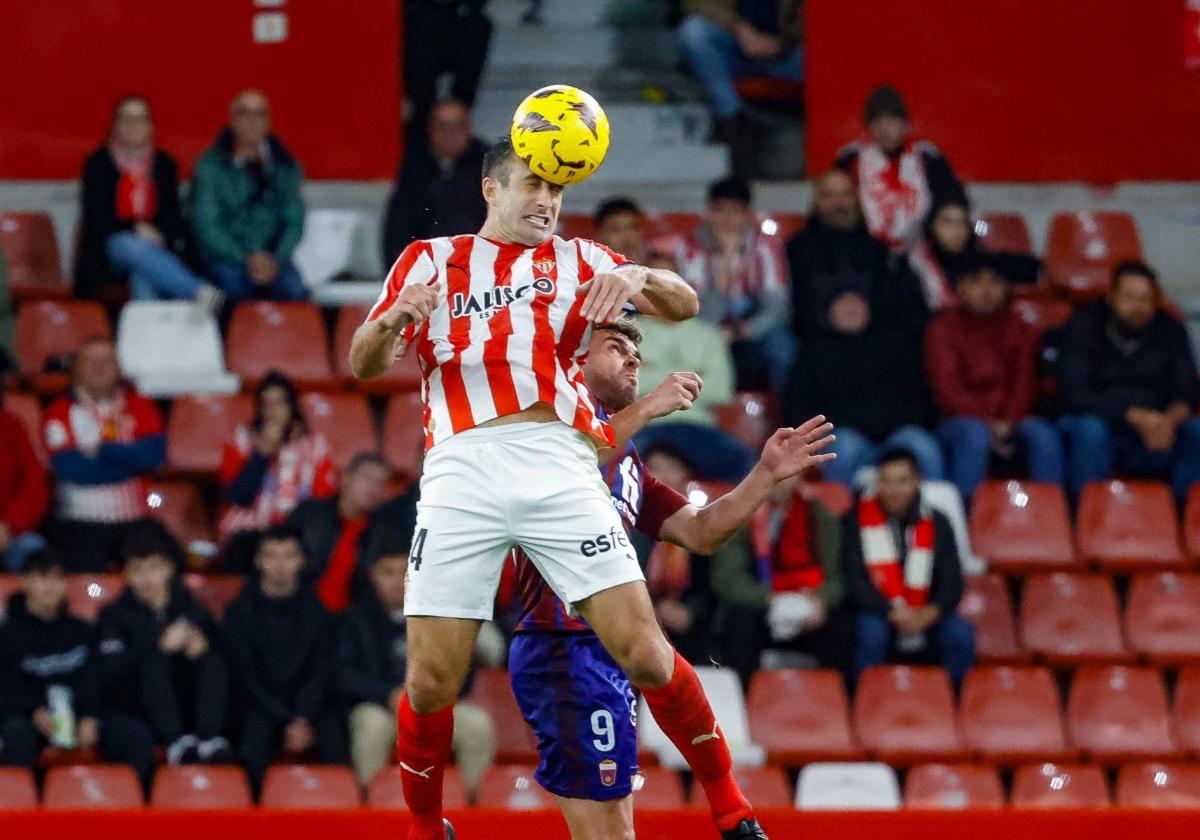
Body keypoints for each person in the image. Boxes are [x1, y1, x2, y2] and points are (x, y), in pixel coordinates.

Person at [348, 136, 775, 840]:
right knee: (429, 681)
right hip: (461, 464)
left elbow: (687, 302)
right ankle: (427, 828)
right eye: (531, 187)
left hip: (559, 456)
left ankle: (731, 807)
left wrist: (639, 276)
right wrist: (394, 319)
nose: (547, 202)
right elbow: (364, 363)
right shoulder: (429, 261)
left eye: (557, 192)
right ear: (492, 189)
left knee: (644, 650)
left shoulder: (579, 259)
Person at [508, 318, 835, 840]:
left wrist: (763, 476)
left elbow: (701, 532)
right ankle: (733, 811)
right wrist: (651, 408)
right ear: (573, 361)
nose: (635, 358)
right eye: (616, 347)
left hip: (611, 654)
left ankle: (731, 809)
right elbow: (572, 456)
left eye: (637, 348)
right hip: (563, 649)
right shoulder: (538, 425)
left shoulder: (629, 461)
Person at [338, 532, 495, 793]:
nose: (398, 582)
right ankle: (374, 809)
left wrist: (436, 693)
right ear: (372, 575)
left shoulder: (438, 614)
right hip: (381, 708)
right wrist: (389, 695)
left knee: (477, 724)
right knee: (371, 726)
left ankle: (472, 811)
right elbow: (343, 675)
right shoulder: (355, 618)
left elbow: (464, 674)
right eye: (388, 573)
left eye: (406, 572)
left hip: (433, 706)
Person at [0, 549, 155, 786]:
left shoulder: (82, 631)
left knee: (134, 733)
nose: (50, 586)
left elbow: (94, 678)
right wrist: (34, 711)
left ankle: (134, 807)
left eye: (57, 578)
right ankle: (21, 812)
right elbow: (7, 684)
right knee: (16, 734)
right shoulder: (8, 635)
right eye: (42, 577)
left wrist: (89, 716)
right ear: (26, 581)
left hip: (81, 718)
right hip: (31, 719)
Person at [925, 253, 1064, 502]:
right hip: (958, 422)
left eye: (995, 282)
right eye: (977, 282)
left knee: (1043, 435)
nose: (986, 290)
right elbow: (949, 390)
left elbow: (1024, 383)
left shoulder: (1021, 328)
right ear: (961, 288)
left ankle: (1051, 516)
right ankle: (964, 520)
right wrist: (989, 425)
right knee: (975, 436)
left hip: (1012, 419)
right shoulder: (942, 329)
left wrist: (1008, 423)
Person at [1058, 260, 1200, 501]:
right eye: (1130, 298)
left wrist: (1168, 421)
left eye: (1146, 299)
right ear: (1111, 297)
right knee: (1091, 431)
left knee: (1196, 432)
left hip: (1157, 427)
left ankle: (1182, 517)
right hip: (1101, 421)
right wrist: (1134, 416)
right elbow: (1075, 394)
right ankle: (1087, 514)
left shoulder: (1170, 329)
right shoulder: (1082, 327)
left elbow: (1187, 389)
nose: (1139, 307)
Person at [221, 525, 345, 793]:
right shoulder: (239, 613)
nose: (280, 565)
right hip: (260, 705)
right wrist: (286, 718)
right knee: (253, 738)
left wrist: (302, 717)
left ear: (301, 560)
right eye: (272, 556)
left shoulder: (318, 611)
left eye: (288, 556)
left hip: (307, 706)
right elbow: (245, 677)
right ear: (259, 560)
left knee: (335, 736)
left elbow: (322, 670)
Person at [98, 519, 231, 765]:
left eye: (155, 569)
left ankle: (210, 738)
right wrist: (157, 639)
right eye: (138, 570)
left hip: (188, 702)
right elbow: (112, 674)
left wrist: (201, 645)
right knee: (154, 661)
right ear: (125, 574)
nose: (148, 579)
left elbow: (227, 656)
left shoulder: (192, 606)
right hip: (137, 706)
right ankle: (175, 742)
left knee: (212, 659)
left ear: (170, 569)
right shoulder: (113, 615)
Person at [842, 449, 974, 685]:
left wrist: (930, 613)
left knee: (959, 634)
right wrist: (891, 613)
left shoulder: (938, 522)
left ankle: (954, 705)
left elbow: (952, 580)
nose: (893, 491)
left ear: (917, 482)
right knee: (869, 632)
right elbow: (854, 582)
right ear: (877, 483)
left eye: (902, 481)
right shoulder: (853, 522)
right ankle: (866, 702)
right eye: (886, 481)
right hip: (879, 614)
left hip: (927, 614)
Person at [783, 291, 943, 487]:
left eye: (857, 302)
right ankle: (837, 516)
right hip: (844, 435)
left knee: (924, 447)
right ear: (829, 311)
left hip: (896, 434)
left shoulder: (895, 345)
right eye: (843, 303)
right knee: (843, 448)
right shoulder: (812, 353)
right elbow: (798, 407)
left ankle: (933, 515)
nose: (851, 308)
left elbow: (920, 399)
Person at [76, 95, 221, 309]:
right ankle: (196, 290)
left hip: (156, 251)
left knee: (143, 276)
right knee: (127, 243)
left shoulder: (164, 164)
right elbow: (97, 219)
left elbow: (173, 217)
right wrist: (134, 228)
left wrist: (158, 234)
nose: (134, 126)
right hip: (108, 254)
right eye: (127, 119)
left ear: (150, 126)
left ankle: (148, 340)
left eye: (140, 119)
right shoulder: (97, 164)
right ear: (115, 126)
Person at [710, 476, 850, 689]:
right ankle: (743, 701)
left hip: (808, 605)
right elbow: (727, 579)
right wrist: (770, 598)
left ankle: (833, 703)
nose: (779, 479)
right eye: (773, 470)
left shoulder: (818, 516)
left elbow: (836, 578)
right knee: (740, 621)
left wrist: (820, 601)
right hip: (759, 606)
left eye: (788, 472)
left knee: (843, 626)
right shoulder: (738, 513)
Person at [43, 337, 166, 571]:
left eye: (107, 361)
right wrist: (130, 462)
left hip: (135, 519)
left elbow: (153, 457)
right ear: (76, 368)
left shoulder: (140, 405)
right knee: (87, 579)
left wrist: (102, 449)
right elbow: (73, 470)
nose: (99, 367)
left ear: (119, 367)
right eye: (91, 361)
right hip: (79, 521)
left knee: (170, 562)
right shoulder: (59, 411)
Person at [675, 177, 792, 391]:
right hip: (708, 327)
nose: (728, 220)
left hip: (753, 329)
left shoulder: (765, 247)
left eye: (736, 212)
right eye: (721, 211)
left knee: (782, 347)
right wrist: (724, 267)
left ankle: (788, 416)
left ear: (748, 214)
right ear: (709, 212)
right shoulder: (692, 247)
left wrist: (742, 331)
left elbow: (776, 309)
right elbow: (701, 314)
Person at [191, 89, 307, 302]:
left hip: (274, 258)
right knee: (233, 290)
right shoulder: (210, 166)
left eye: (260, 114)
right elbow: (207, 225)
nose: (253, 121)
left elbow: (295, 221)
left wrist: (275, 258)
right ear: (232, 120)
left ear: (268, 121)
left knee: (295, 292)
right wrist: (246, 258)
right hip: (228, 257)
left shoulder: (285, 166)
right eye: (245, 114)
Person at [786, 170, 928, 343]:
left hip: (873, 338)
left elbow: (891, 299)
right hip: (816, 341)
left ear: (856, 199)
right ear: (816, 201)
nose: (838, 203)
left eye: (845, 195)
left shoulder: (876, 249)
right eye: (828, 195)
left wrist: (867, 313)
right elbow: (796, 302)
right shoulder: (796, 249)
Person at [219, 371, 334, 571]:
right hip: (251, 531)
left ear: (292, 407)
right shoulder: (241, 441)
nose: (273, 411)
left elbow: (322, 502)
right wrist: (262, 454)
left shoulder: (316, 447)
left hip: (299, 532)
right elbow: (239, 497)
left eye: (279, 403)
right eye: (266, 404)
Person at [835, 85, 967, 253]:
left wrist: (980, 229)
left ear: (905, 124)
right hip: (862, 250)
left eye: (891, 120)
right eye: (877, 122)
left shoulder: (928, 158)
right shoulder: (851, 159)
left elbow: (957, 205)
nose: (884, 129)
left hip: (924, 248)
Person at [677, 1, 803, 162]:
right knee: (694, 31)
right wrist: (739, 28)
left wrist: (782, 44)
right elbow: (697, 4)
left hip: (785, 54)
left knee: (826, 56)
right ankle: (732, 116)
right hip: (734, 47)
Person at [383, 100, 488, 265]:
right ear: (430, 129)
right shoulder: (415, 166)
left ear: (468, 128)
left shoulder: (488, 164)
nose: (450, 134)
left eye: (457, 126)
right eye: (443, 127)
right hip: (426, 266)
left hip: (477, 264)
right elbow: (399, 224)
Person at [287, 450, 392, 613]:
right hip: (297, 610)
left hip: (348, 623)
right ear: (345, 479)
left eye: (381, 483)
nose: (374, 488)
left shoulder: (381, 533)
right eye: (367, 478)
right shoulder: (309, 514)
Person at [906, 199, 1040, 312]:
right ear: (931, 227)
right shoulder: (915, 265)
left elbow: (1034, 269)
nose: (957, 230)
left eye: (962, 222)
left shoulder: (978, 259)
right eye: (947, 222)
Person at [403, 0, 492, 139]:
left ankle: (454, 128)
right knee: (421, 88)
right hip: (419, 16)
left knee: (465, 83)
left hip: (466, 15)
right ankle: (423, 128)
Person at [0, 405, 50, 571]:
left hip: (8, 533)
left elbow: (34, 485)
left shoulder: (10, 424)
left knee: (32, 549)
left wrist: (9, 526)